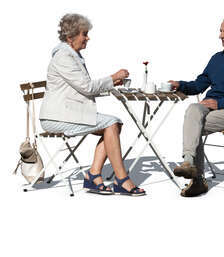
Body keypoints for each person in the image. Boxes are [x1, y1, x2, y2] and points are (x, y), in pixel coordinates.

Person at [39, 13, 145, 196]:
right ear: (70, 37)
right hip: (56, 117)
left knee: (114, 123)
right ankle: (121, 179)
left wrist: (112, 84)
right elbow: (87, 87)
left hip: (68, 113)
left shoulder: (73, 55)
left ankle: (93, 175)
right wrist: (113, 77)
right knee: (111, 124)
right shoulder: (63, 57)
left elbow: (83, 89)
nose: (88, 38)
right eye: (84, 34)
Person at [169, 16, 224, 197]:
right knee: (193, 110)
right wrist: (179, 85)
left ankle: (197, 179)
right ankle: (188, 162)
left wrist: (219, 103)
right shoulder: (216, 58)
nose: (220, 36)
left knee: (194, 124)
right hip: (208, 108)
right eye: (220, 31)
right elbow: (199, 85)